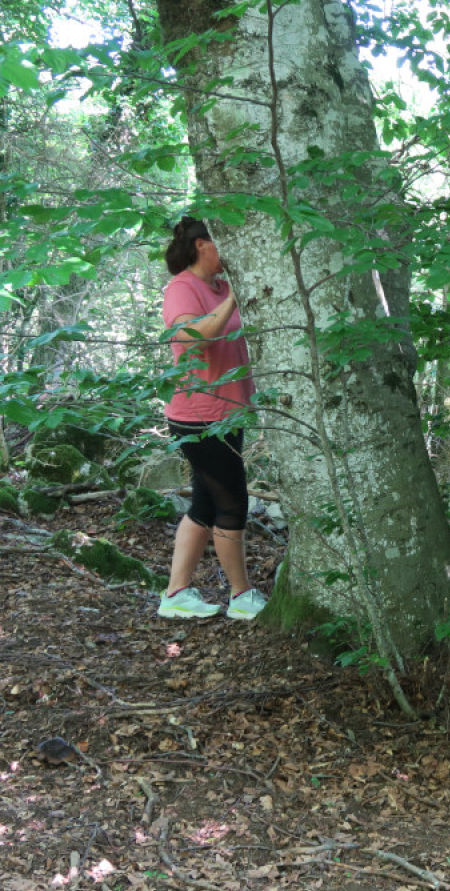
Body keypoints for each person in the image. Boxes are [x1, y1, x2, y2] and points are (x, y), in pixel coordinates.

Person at [157, 217, 264, 621]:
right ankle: (241, 596)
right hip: (199, 416)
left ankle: (176, 594)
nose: (229, 252)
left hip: (226, 413)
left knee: (204, 504)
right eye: (224, 243)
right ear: (203, 245)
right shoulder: (182, 288)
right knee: (232, 503)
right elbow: (195, 335)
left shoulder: (218, 287)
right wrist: (233, 297)